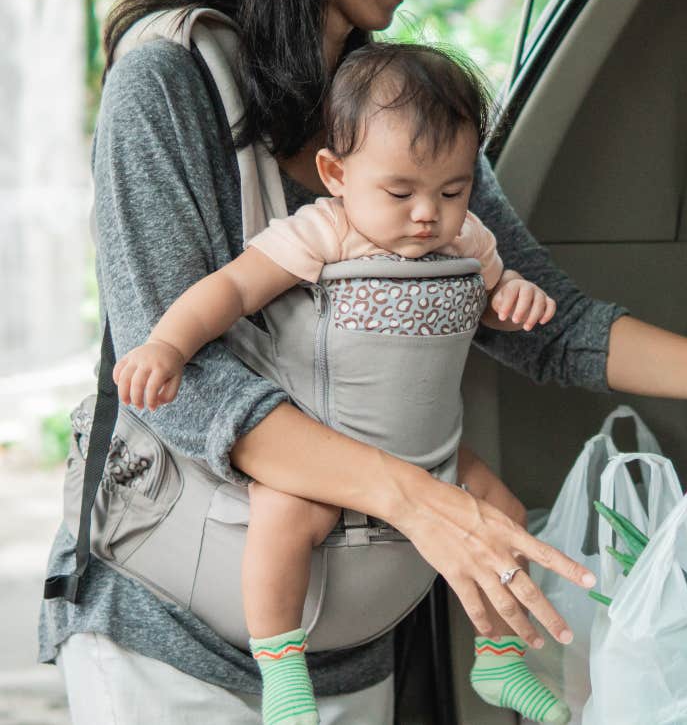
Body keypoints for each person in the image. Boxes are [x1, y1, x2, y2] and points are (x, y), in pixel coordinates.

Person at [39, 0, 687, 725]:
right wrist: (415, 495)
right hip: (167, 647)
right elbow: (181, 379)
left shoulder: (395, 112)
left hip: (354, 655)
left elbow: (555, 325)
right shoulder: (167, 79)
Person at [113, 40, 573, 725]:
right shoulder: (325, 232)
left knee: (503, 513)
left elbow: (493, 294)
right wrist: (167, 343)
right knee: (282, 517)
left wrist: (514, 303)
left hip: (430, 453)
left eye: (452, 190)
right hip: (327, 444)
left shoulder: (467, 239)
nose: (428, 213)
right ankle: (282, 668)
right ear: (335, 172)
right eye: (401, 191)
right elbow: (234, 288)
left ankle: (500, 658)